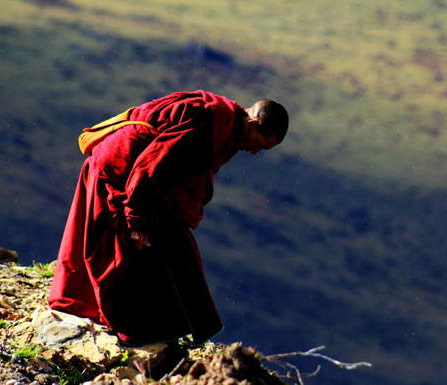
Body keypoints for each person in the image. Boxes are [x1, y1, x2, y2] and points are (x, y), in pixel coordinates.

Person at [48, 90, 289, 346]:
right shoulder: (208, 121)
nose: (254, 152)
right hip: (123, 172)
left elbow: (187, 168)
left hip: (141, 181)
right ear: (252, 123)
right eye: (259, 144)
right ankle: (124, 324)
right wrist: (138, 220)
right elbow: (150, 164)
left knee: (173, 244)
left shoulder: (228, 127)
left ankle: (168, 328)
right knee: (124, 251)